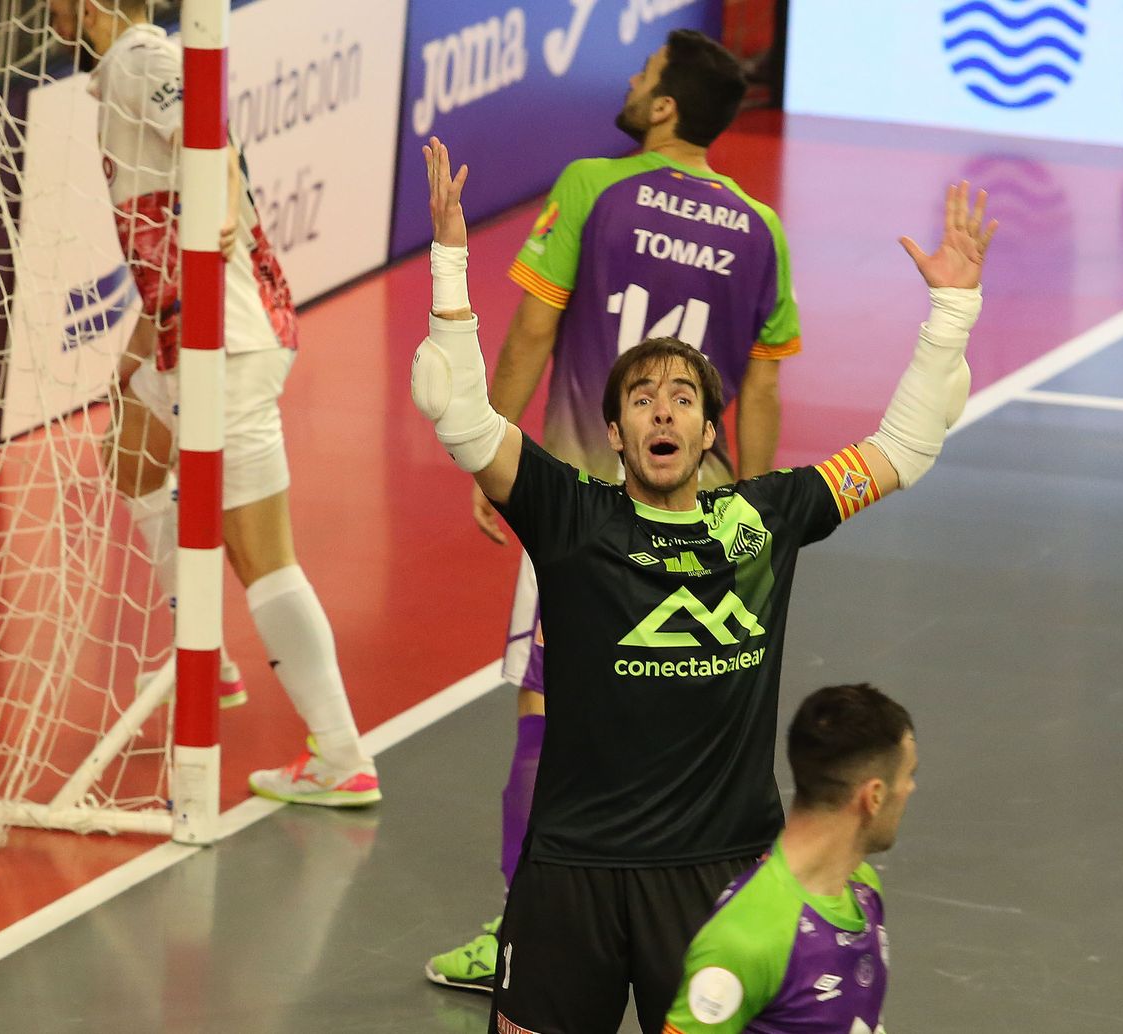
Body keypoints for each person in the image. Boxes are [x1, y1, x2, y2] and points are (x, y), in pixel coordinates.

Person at [411, 136, 992, 1032]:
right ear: (614, 432)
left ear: (709, 428)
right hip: (572, 872)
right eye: (641, 399)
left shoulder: (764, 520)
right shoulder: (572, 517)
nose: (663, 410)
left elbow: (904, 449)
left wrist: (950, 313)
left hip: (717, 874)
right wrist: (451, 264)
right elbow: (457, 409)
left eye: (682, 396)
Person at [430, 29, 803, 991]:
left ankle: (522, 925)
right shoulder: (761, 228)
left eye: (642, 79)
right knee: (682, 710)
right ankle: (707, 922)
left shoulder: (596, 186)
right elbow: (757, 394)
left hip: (587, 507)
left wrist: (496, 456)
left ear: (668, 106)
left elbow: (536, 323)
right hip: (704, 517)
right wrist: (753, 519)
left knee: (546, 710)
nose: (632, 88)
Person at [77, 0, 378, 805]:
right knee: (132, 450)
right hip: (189, 333)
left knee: (261, 556)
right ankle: (202, 658)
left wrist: (218, 222)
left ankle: (341, 754)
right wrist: (140, 347)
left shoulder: (144, 58)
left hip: (229, 341)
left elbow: (209, 136)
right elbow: (169, 215)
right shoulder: (123, 72)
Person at [661, 682, 915, 1034]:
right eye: (907, 776)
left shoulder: (862, 888)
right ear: (873, 796)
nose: (910, 790)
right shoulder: (746, 937)